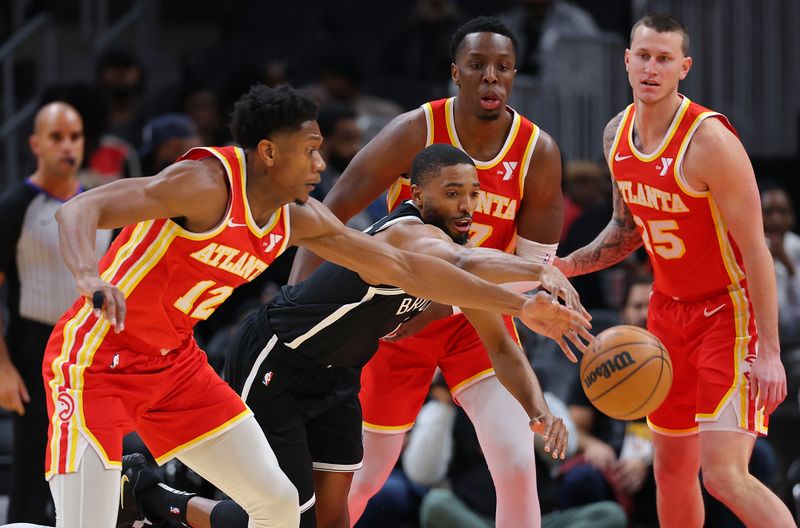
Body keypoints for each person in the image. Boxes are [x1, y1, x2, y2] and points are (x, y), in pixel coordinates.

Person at [29, 84, 584, 528]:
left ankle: (151, 497)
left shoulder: (301, 218)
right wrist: (85, 274)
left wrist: (526, 296)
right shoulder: (203, 185)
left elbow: (412, 271)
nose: (322, 162)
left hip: (177, 368)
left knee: (277, 506)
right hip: (97, 361)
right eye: (310, 149)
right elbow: (82, 208)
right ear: (269, 153)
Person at [290, 16, 568, 527]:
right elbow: (330, 212)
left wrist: (452, 301)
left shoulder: (538, 153)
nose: (490, 78)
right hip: (396, 318)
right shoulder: (416, 129)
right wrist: (294, 307)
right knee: (363, 477)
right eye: (477, 66)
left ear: (514, 76)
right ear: (455, 73)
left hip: (479, 319)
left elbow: (535, 271)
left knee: (515, 466)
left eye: (502, 68)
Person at [554, 13, 793, 527]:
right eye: (643, 56)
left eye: (664, 59)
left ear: (683, 68)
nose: (651, 67)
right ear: (626, 60)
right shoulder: (616, 135)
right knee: (672, 471)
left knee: (725, 476)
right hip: (665, 315)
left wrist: (770, 351)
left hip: (728, 314)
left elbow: (757, 249)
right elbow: (625, 229)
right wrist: (565, 265)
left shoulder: (711, 143)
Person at [0, 102, 111, 525]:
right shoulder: (14, 207)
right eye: (57, 137)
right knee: (32, 472)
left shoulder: (102, 205)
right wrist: (2, 367)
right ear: (35, 144)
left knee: (88, 468)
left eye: (75, 136)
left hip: (91, 353)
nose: (68, 146)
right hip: (31, 353)